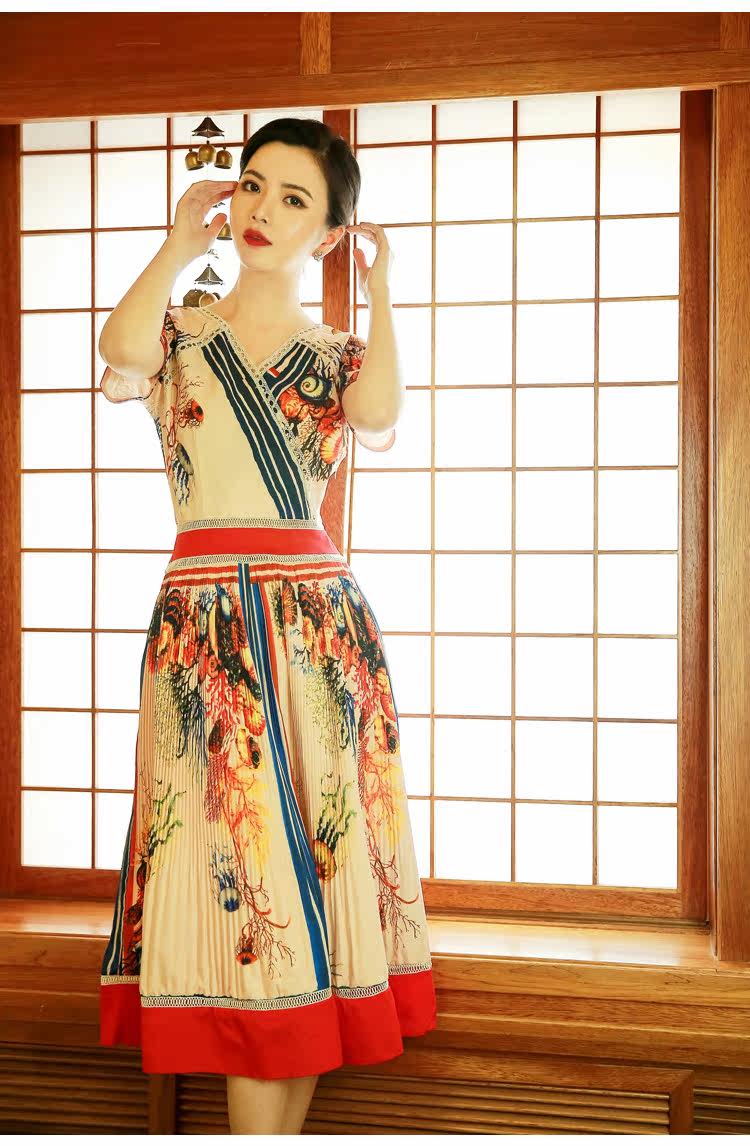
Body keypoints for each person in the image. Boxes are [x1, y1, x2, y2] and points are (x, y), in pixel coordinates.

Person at [98, 117, 437, 1135]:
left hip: (317, 630)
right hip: (204, 628)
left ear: (329, 233)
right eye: (252, 185)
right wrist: (177, 244)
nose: (262, 210)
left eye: (295, 199)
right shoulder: (177, 334)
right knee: (240, 880)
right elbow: (117, 353)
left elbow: (378, 415)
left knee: (318, 874)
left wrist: (383, 291)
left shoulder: (337, 355)